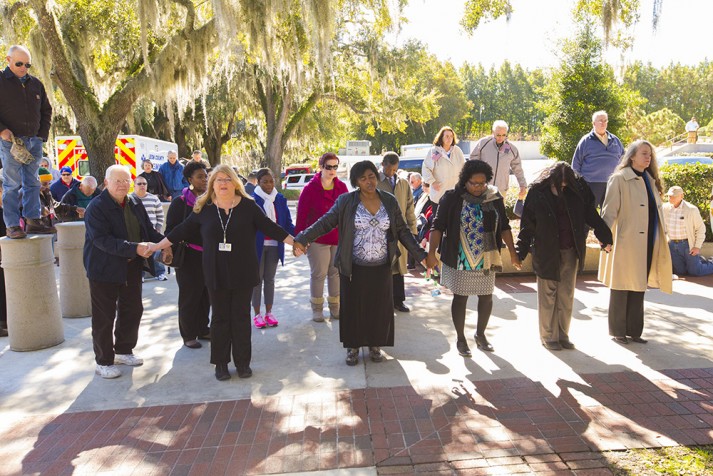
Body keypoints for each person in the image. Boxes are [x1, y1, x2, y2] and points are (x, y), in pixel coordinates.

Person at [150, 164, 295, 381]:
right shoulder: (203, 208)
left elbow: (270, 227)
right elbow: (180, 231)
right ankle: (221, 364)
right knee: (219, 318)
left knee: (240, 317)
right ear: (212, 184)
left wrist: (295, 242)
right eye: (218, 180)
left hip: (244, 270)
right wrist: (156, 246)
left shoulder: (249, 206)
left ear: (235, 182)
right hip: (215, 271)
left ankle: (243, 362)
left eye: (227, 179)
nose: (223, 183)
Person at [293, 160, 428, 366]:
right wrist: (303, 237)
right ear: (356, 181)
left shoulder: (389, 201)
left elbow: (402, 231)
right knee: (353, 308)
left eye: (371, 176)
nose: (369, 181)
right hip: (354, 266)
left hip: (382, 265)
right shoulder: (346, 201)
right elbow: (326, 222)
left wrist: (421, 255)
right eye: (363, 178)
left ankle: (375, 344)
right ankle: (353, 347)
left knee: (379, 308)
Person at [426, 160, 520, 356]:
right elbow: (437, 226)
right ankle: (461, 338)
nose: (478, 187)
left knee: (486, 297)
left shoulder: (493, 197)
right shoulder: (452, 198)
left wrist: (512, 252)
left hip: (487, 256)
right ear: (465, 181)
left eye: (482, 183)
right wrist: (431, 253)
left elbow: (504, 225)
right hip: (460, 256)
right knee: (460, 298)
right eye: (474, 183)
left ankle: (480, 335)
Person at [515, 162, 613, 350]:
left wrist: (605, 237)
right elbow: (527, 225)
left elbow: (591, 216)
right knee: (548, 294)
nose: (562, 188)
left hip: (570, 250)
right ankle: (548, 337)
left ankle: (563, 335)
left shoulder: (578, 191)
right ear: (551, 179)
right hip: (546, 250)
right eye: (559, 184)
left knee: (566, 295)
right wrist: (520, 252)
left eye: (565, 185)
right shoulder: (538, 192)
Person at [84, 165, 164, 379]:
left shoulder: (135, 203)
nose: (122, 184)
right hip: (103, 269)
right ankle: (103, 361)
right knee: (104, 317)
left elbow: (147, 230)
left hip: (131, 266)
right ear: (106, 182)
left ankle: (123, 350)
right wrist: (134, 248)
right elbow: (102, 241)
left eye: (125, 180)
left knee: (132, 309)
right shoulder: (96, 207)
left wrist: (166, 242)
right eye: (117, 180)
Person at [599, 140, 672, 345]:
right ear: (632, 156)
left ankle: (634, 331)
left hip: (647, 240)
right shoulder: (619, 179)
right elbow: (609, 211)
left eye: (650, 154)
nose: (648, 158)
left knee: (639, 284)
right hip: (625, 241)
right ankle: (618, 331)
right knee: (622, 285)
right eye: (644, 154)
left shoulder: (650, 180)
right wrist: (605, 238)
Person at [0, 45, 56, 238]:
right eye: (19, 63)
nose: (24, 67)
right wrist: (2, 130)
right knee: (12, 185)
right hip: (11, 142)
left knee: (32, 183)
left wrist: (41, 136)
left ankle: (33, 221)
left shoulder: (36, 83)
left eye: (27, 64)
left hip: (34, 141)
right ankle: (13, 225)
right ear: (8, 60)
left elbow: (47, 111)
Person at [294, 152, 348, 322]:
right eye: (328, 166)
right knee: (319, 274)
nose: (332, 170)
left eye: (335, 167)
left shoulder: (342, 188)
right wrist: (300, 240)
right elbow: (301, 216)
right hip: (317, 239)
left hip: (337, 238)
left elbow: (347, 214)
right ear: (321, 167)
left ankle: (335, 307)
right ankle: (317, 309)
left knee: (335, 273)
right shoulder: (310, 189)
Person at [164, 161, 211, 349]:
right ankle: (189, 334)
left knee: (206, 295)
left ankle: (203, 328)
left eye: (206, 176)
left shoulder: (211, 200)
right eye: (200, 176)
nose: (205, 179)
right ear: (189, 179)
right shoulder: (180, 203)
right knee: (189, 296)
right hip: (188, 257)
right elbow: (171, 231)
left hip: (208, 256)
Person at [251, 168, 295, 328]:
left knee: (269, 279)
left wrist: (298, 238)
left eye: (271, 181)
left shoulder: (280, 199)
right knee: (256, 281)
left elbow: (287, 224)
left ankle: (269, 313)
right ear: (258, 182)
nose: (269, 185)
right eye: (265, 182)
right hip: (257, 247)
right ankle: (257, 315)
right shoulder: (252, 200)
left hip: (275, 245)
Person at [376, 152, 417, 312]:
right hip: (380, 231)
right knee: (383, 266)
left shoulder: (403, 183)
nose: (392, 173)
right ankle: (381, 301)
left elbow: (409, 207)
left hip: (400, 230)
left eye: (395, 170)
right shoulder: (375, 182)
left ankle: (398, 300)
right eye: (389, 169)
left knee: (399, 267)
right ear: (383, 164)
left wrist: (412, 229)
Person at [572, 110, 625, 209]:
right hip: (591, 184)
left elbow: (624, 159)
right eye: (600, 120)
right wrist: (579, 183)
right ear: (593, 123)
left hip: (612, 183)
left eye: (605, 120)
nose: (603, 123)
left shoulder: (615, 140)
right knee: (588, 214)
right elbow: (576, 164)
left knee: (609, 214)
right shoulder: (585, 141)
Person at [469, 120, 527, 200]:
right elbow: (472, 161)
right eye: (498, 135)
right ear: (493, 132)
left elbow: (518, 169)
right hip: (483, 189)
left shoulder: (511, 149)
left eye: (504, 135)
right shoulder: (483, 144)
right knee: (482, 212)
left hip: (501, 190)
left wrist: (522, 185)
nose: (501, 138)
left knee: (499, 212)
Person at [663, 186, 713, 277]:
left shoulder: (691, 209)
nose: (671, 198)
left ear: (681, 196)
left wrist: (697, 247)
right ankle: (698, 260)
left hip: (687, 245)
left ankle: (710, 263)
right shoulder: (664, 208)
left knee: (695, 271)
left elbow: (701, 228)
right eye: (669, 196)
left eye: (674, 196)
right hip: (672, 245)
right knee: (680, 272)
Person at [421, 126, 466, 212]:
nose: (449, 138)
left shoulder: (457, 151)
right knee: (439, 222)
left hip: (455, 194)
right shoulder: (436, 152)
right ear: (441, 137)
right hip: (439, 194)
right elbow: (426, 167)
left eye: (451, 136)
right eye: (447, 136)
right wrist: (432, 182)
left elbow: (465, 168)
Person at [131, 176, 167, 281]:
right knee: (139, 254)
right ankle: (140, 274)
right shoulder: (130, 199)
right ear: (134, 185)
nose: (142, 186)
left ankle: (160, 273)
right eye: (139, 184)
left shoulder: (154, 198)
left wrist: (158, 228)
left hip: (152, 232)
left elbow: (160, 215)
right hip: (137, 233)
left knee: (156, 251)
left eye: (144, 184)